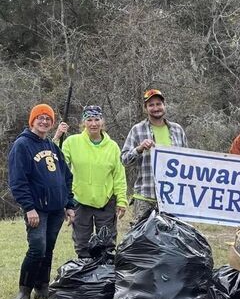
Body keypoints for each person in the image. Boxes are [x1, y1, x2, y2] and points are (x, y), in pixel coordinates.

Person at [7, 103, 76, 299]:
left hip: (56, 209)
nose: (44, 121)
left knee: (49, 249)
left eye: (48, 118)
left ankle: (42, 286)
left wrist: (69, 204)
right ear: (32, 120)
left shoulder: (52, 146)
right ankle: (24, 289)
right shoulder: (22, 145)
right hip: (37, 210)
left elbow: (67, 177)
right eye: (40, 117)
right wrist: (29, 207)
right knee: (37, 248)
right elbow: (18, 181)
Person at [52, 105, 127, 255]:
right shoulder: (72, 142)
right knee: (82, 246)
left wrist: (121, 200)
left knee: (106, 246)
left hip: (105, 202)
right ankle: (84, 276)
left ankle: (105, 277)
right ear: (83, 123)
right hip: (80, 202)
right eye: (89, 120)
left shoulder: (112, 147)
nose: (93, 123)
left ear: (102, 122)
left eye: (97, 119)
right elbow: (55, 160)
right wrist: (57, 137)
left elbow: (119, 175)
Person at [120, 89, 188, 223]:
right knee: (143, 241)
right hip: (146, 196)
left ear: (164, 105)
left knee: (172, 240)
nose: (156, 108)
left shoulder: (177, 130)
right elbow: (124, 160)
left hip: (172, 198)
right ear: (145, 108)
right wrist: (139, 149)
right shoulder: (137, 130)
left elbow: (187, 162)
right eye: (151, 105)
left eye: (158, 104)